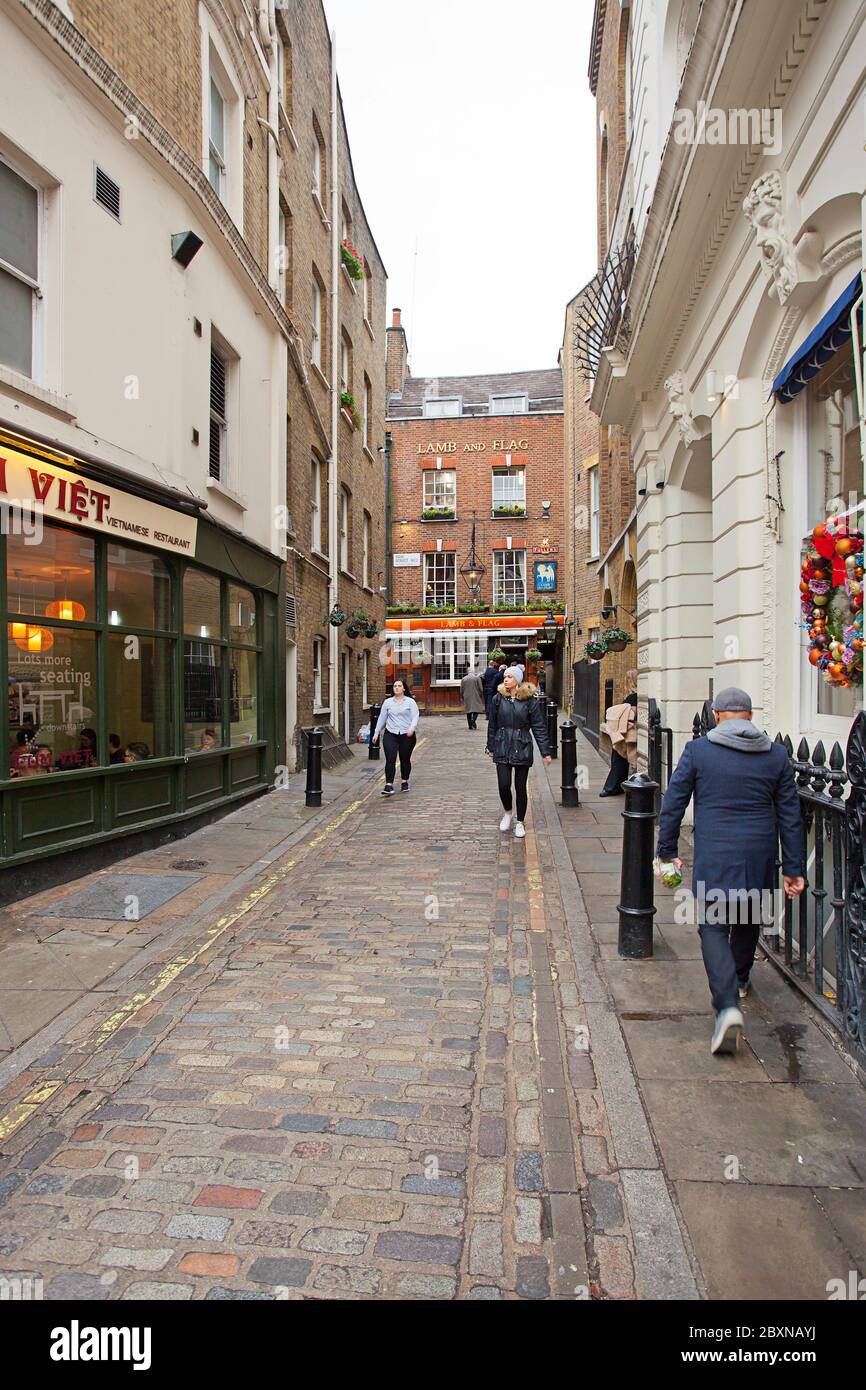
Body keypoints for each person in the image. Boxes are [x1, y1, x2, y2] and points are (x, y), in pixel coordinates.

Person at [656, 687, 805, 1056]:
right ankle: (739, 979)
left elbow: (674, 802)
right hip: (759, 854)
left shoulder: (699, 751)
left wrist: (666, 852)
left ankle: (726, 1007)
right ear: (750, 717)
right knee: (748, 917)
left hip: (717, 853)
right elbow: (791, 816)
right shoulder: (776, 756)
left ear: (718, 715)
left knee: (712, 925)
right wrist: (795, 869)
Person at [486, 663, 552, 839]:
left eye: (510, 677)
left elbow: (538, 726)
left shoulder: (529, 700)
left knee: (520, 787)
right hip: (501, 744)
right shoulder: (498, 699)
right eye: (505, 677)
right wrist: (490, 746)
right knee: (503, 784)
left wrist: (545, 751)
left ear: (518, 681)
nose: (506, 679)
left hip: (522, 745)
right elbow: (492, 724)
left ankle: (520, 822)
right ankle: (508, 813)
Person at [372, 679, 419, 795]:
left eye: (399, 686)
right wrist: (376, 733)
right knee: (390, 759)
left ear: (404, 688)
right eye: (394, 686)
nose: (396, 688)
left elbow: (415, 716)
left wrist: (411, 729)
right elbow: (382, 718)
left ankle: (404, 781)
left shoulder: (410, 702)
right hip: (390, 733)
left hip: (406, 735)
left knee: (405, 759)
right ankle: (389, 785)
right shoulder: (388, 702)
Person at [600, 670, 638, 796]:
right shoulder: (635, 696)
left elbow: (632, 714)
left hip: (628, 733)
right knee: (619, 757)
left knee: (619, 756)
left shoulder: (633, 697)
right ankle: (616, 785)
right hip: (626, 732)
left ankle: (612, 787)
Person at [460, 665, 485, 730]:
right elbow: (481, 688)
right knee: (476, 709)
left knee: (468, 711)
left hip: (467, 696)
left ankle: (470, 726)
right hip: (476, 695)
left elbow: (461, 689)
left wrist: (462, 695)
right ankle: (473, 720)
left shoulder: (464, 679)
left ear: (468, 672)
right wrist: (481, 694)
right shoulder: (477, 678)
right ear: (473, 672)